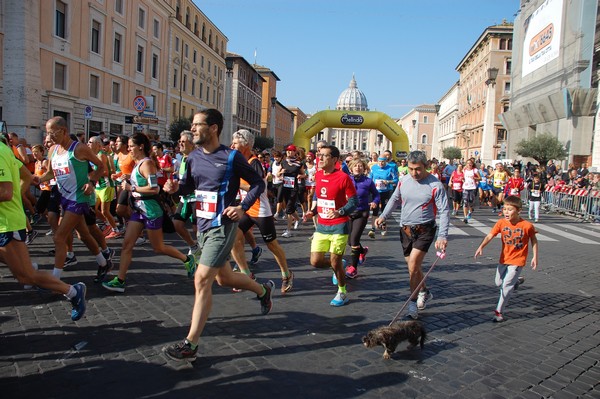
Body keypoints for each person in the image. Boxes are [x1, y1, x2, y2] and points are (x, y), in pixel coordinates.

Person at [162, 109, 273, 362]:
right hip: (201, 226)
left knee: (202, 279)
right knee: (224, 279)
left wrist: (242, 207)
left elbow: (258, 183)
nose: (193, 129)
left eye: (197, 125)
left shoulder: (232, 157)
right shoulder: (192, 158)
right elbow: (191, 187)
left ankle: (190, 344)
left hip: (223, 225)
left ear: (213, 128)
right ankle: (263, 291)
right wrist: (175, 188)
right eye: (192, 125)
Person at [0, 135, 86, 321]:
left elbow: (5, 192)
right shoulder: (6, 150)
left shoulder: (0, 152)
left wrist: (15, 197)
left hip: (6, 224)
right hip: (8, 219)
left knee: (26, 276)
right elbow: (27, 176)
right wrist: (19, 194)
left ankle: (72, 291)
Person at [102, 133, 197, 292]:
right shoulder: (137, 163)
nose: (129, 149)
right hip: (139, 211)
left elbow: (154, 188)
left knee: (158, 247)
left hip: (151, 211)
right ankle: (120, 280)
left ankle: (187, 259)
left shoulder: (147, 164)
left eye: (132, 146)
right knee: (127, 245)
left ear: (140, 146)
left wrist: (132, 188)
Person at [374, 150, 450, 320]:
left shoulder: (435, 185)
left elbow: (444, 211)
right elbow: (394, 199)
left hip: (425, 229)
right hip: (406, 229)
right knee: (413, 268)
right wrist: (383, 216)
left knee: (414, 265)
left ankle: (412, 304)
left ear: (426, 166)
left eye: (418, 169)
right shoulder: (404, 181)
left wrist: (442, 236)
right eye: (410, 169)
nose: (414, 173)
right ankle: (424, 290)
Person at [37, 117, 112, 281]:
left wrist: (91, 182)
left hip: (78, 199)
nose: (49, 137)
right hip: (64, 199)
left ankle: (55, 279)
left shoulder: (79, 148)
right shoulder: (53, 150)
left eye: (51, 133)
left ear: (63, 131)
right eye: (47, 133)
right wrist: (39, 179)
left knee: (59, 237)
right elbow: (51, 173)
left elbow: (101, 166)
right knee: (83, 235)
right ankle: (103, 262)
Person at [229, 129, 294, 293]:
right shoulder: (238, 161)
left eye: (235, 143)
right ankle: (246, 274)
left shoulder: (254, 162)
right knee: (233, 237)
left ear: (245, 144)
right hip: (246, 209)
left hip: (261, 210)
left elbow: (258, 187)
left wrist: (235, 183)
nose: (232, 145)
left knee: (272, 245)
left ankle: (287, 274)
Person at [304, 144, 358, 306]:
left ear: (334, 159)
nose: (320, 158)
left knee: (334, 260)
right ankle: (339, 265)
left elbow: (354, 202)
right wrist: (312, 213)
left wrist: (340, 212)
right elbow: (322, 200)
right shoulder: (319, 175)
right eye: (319, 155)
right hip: (322, 226)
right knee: (315, 262)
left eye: (325, 155)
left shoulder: (343, 177)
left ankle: (342, 292)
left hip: (339, 225)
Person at [474, 196, 538, 322]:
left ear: (518, 210)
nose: (506, 212)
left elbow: (534, 240)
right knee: (498, 283)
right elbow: (490, 235)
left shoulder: (527, 225)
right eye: (504, 209)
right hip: (504, 258)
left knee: (506, 286)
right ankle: (517, 281)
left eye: (510, 210)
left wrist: (535, 257)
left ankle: (499, 312)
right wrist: (481, 246)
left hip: (518, 260)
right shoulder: (501, 223)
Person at [345, 158, 379, 278]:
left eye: (360, 166)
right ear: (351, 168)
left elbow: (376, 194)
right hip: (348, 213)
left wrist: (375, 202)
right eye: (356, 166)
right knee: (349, 241)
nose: (358, 168)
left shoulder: (368, 181)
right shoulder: (346, 179)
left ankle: (353, 268)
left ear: (364, 168)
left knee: (354, 240)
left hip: (362, 213)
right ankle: (362, 251)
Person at [172, 130, 200, 258]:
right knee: (177, 224)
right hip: (185, 198)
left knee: (196, 229)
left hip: (196, 197)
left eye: (184, 142)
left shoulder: (197, 158)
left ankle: (204, 253)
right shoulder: (183, 158)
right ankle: (193, 246)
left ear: (192, 144)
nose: (181, 144)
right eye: (180, 141)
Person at [278, 144, 305, 238]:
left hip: (294, 188)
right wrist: (281, 173)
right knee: (289, 208)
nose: (289, 152)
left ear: (295, 152)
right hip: (285, 186)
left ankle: (288, 230)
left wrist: (301, 176)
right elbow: (277, 174)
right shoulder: (284, 162)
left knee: (289, 209)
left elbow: (304, 174)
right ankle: (298, 219)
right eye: (288, 151)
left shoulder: (299, 163)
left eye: (291, 151)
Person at [368, 156, 398, 237]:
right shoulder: (374, 168)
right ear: (377, 161)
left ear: (386, 162)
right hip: (375, 192)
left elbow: (396, 179)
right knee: (375, 210)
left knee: (384, 210)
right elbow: (369, 178)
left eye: (383, 162)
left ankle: (383, 228)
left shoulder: (390, 168)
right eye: (380, 161)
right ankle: (373, 229)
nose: (381, 163)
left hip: (385, 192)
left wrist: (388, 181)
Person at [462, 159, 480, 224]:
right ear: (466, 164)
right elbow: (462, 176)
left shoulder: (475, 170)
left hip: (472, 188)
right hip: (465, 187)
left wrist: (475, 178)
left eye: (470, 163)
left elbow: (480, 178)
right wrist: (462, 179)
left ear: (472, 164)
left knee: (471, 202)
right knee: (465, 202)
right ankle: (465, 217)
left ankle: (470, 212)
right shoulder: (464, 170)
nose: (469, 164)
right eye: (468, 163)